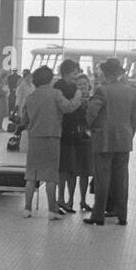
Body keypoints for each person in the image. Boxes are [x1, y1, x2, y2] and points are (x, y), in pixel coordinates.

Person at [20, 66, 81, 218]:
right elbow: (68, 107)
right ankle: (51, 211)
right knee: (50, 176)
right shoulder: (55, 94)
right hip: (52, 138)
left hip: (34, 138)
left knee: (31, 175)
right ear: (49, 78)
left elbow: (24, 119)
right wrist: (78, 96)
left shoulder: (30, 97)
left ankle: (27, 208)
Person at [85, 58, 136, 226]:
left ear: (106, 73)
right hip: (123, 140)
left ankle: (98, 215)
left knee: (102, 178)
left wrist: (89, 128)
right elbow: (134, 118)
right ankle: (122, 215)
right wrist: (129, 134)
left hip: (104, 140)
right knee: (121, 178)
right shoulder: (131, 91)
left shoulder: (102, 90)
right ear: (119, 73)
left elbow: (91, 112)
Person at [56, 62, 94, 214]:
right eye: (79, 83)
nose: (82, 86)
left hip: (82, 137)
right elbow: (68, 111)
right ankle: (67, 199)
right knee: (69, 169)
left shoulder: (90, 99)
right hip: (69, 135)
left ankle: (80, 200)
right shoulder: (68, 93)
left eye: (84, 84)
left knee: (82, 171)